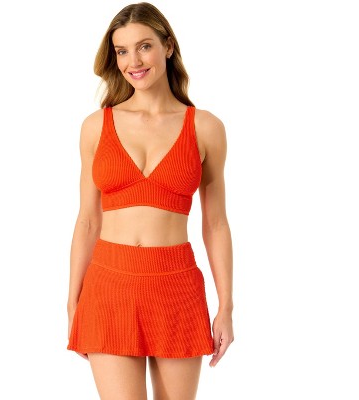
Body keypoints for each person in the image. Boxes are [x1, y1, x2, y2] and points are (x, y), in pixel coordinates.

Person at [67, 2, 234, 399]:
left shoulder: (205, 127)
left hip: (176, 286)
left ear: (168, 46)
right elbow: (87, 220)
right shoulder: (96, 126)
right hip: (109, 286)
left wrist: (226, 307)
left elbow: (216, 223)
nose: (133, 61)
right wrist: (72, 302)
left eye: (144, 46)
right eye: (122, 51)